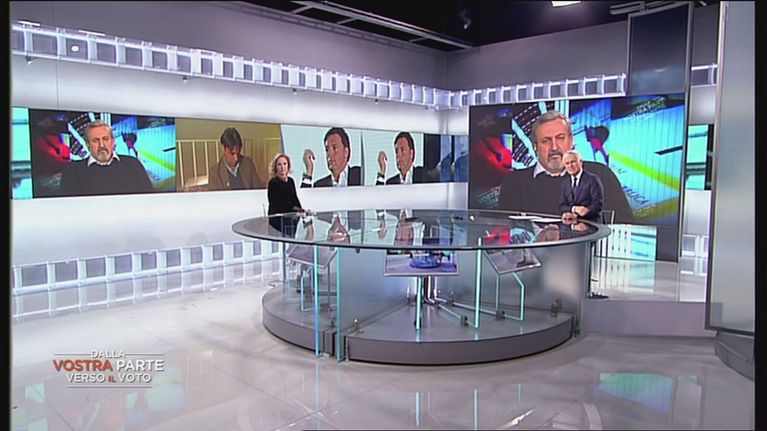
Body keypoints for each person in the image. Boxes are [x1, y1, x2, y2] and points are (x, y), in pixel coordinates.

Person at [497, 110, 633, 223]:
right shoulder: (514, 182)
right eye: (546, 141)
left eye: (560, 138)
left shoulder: (601, 174)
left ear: (571, 141)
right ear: (535, 147)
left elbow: (625, 225)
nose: (554, 147)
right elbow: (504, 231)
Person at [59, 120, 153, 196]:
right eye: (95, 140)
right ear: (88, 145)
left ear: (113, 142)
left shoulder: (133, 164)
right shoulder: (72, 171)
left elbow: (149, 200)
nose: (101, 145)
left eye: (105, 139)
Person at [267, 153, 309, 235]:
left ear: (288, 166)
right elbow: (279, 203)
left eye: (284, 164)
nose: (282, 167)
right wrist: (295, 209)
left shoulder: (291, 181)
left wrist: (301, 209)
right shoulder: (273, 183)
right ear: (275, 167)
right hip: (277, 222)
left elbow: (294, 198)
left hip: (291, 220)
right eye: (279, 164)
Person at [560, 150, 603, 223]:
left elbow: (597, 206)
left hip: (591, 223)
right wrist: (574, 209)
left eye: (573, 162)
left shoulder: (592, 179)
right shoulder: (565, 183)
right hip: (570, 224)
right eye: (567, 163)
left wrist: (578, 216)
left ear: (580, 162)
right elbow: (562, 206)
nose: (570, 166)